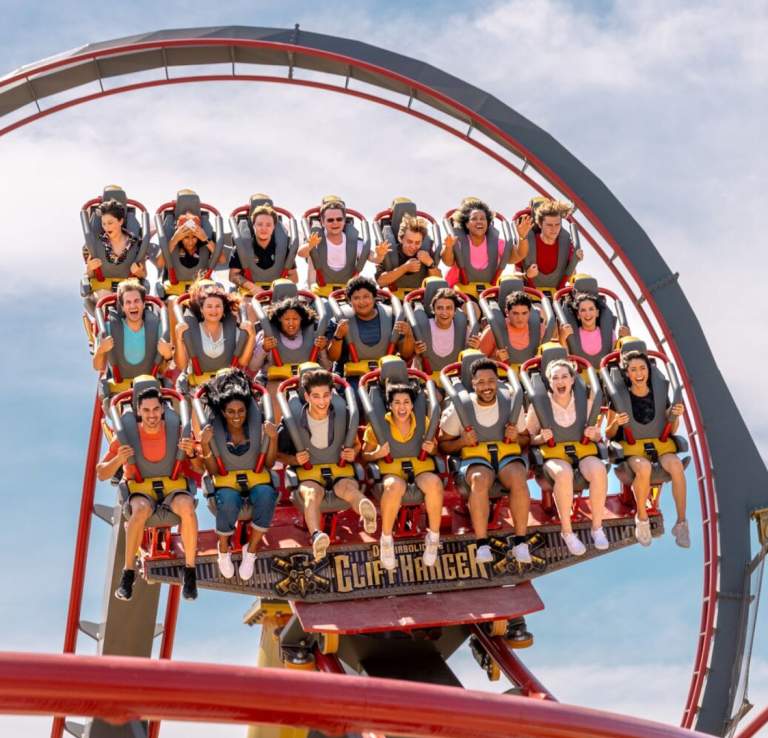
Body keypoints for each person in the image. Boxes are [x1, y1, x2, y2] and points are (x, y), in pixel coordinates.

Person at [96, 386, 201, 601]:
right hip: (141, 491)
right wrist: (118, 460)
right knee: (139, 512)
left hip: (173, 487)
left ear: (163, 409)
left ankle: (190, 572)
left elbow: (200, 468)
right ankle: (127, 574)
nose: (151, 415)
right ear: (138, 411)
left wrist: (192, 452)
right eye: (146, 411)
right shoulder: (126, 435)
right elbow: (101, 473)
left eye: (155, 409)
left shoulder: (177, 429)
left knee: (187, 509)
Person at [277, 368, 377, 559]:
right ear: (306, 396)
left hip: (339, 469)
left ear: (332, 394)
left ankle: (366, 511)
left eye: (325, 395)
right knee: (312, 494)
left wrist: (352, 452)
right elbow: (278, 455)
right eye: (316, 396)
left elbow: (356, 444)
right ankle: (317, 536)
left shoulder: (343, 414)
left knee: (347, 488)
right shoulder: (293, 421)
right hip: (309, 474)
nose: (322, 402)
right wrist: (293, 460)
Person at [439, 357, 531, 563]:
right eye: (480, 382)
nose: (486, 387)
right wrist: (462, 441)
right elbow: (443, 445)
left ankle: (521, 542)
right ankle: (482, 544)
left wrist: (517, 436)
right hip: (475, 460)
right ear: (472, 384)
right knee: (479, 479)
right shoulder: (461, 408)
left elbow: (526, 439)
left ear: (498, 381)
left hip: (507, 458)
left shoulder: (510, 403)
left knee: (518, 476)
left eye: (490, 381)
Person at [196, 369, 280, 579]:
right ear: (223, 412)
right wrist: (205, 444)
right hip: (227, 479)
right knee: (228, 499)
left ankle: (250, 552)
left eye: (241, 411)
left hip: (255, 474)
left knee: (266, 495)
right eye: (231, 412)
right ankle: (223, 549)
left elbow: (268, 463)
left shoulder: (254, 425)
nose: (237, 416)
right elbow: (213, 470)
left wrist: (273, 438)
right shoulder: (214, 427)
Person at [605, 350, 689, 547]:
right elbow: (608, 433)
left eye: (642, 368)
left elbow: (671, 429)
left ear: (648, 371)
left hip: (659, 444)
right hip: (633, 447)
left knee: (676, 465)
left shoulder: (659, 395)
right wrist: (617, 422)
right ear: (627, 373)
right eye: (633, 369)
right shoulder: (618, 398)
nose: (639, 373)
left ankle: (681, 523)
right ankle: (641, 519)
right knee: (644, 468)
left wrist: (674, 416)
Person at [526, 359, 608, 555]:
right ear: (549, 382)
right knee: (563, 474)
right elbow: (528, 438)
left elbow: (598, 435)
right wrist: (540, 438)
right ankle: (567, 531)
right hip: (555, 455)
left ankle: (597, 527)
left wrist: (594, 434)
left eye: (564, 376)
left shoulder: (584, 403)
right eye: (555, 378)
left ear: (572, 380)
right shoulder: (539, 405)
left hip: (582, 450)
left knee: (599, 470)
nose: (560, 381)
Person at [362, 382, 444, 571]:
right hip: (392, 472)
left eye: (406, 402)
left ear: (412, 405)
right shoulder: (377, 425)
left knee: (435, 483)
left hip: (419, 468)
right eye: (397, 402)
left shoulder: (422, 422)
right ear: (390, 405)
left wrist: (433, 449)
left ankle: (433, 537)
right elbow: (364, 458)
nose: (402, 407)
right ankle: (386, 539)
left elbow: (436, 448)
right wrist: (376, 454)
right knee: (394, 486)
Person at [326, 276, 415, 384]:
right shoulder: (339, 319)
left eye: (366, 296)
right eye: (356, 298)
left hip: (385, 375)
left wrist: (408, 335)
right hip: (351, 375)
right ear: (349, 300)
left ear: (374, 297)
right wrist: (338, 336)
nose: (362, 302)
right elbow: (332, 357)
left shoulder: (392, 316)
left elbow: (406, 354)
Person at [174, 280, 256, 384]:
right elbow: (182, 365)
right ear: (202, 310)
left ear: (223, 309)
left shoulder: (232, 329)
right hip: (199, 384)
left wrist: (252, 336)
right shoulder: (191, 329)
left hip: (227, 384)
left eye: (218, 306)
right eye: (209, 307)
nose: (214, 311)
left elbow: (243, 361)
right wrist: (178, 339)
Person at [442, 197, 528, 296]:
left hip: (489, 290)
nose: (479, 221)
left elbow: (517, 257)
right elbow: (447, 262)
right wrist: (448, 247)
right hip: (461, 289)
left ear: (488, 223)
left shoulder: (496, 243)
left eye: (482, 219)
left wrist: (522, 237)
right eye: (474, 219)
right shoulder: (458, 241)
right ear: (466, 224)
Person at [92, 279, 173, 376]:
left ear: (143, 304)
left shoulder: (158, 328)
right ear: (122, 307)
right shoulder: (109, 328)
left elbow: (161, 371)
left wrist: (168, 356)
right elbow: (98, 367)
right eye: (128, 302)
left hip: (149, 387)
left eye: (137, 301)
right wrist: (101, 350)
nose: (133, 305)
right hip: (120, 387)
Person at [298, 198, 375, 292]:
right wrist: (310, 245)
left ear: (344, 220)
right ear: (322, 222)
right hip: (318, 290)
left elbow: (374, 258)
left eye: (339, 219)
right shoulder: (316, 238)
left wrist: (380, 254)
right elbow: (301, 253)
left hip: (347, 292)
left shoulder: (353, 242)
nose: (335, 223)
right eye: (330, 220)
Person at [82, 198, 147, 298]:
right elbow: (88, 275)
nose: (106, 228)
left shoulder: (136, 243)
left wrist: (139, 272)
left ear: (120, 221)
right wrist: (90, 268)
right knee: (106, 296)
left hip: (128, 291)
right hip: (101, 290)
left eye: (110, 223)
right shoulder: (93, 244)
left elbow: (144, 274)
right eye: (104, 224)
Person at [411, 287, 480, 379]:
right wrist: (416, 352)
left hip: (455, 377)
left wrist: (476, 347)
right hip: (429, 377)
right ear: (433, 310)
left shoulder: (463, 329)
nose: (444, 312)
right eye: (440, 308)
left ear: (455, 311)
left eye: (449, 308)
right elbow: (412, 357)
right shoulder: (423, 327)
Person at [229, 204, 299, 294]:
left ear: (274, 227)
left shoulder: (283, 248)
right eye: (259, 224)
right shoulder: (242, 247)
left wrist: (275, 289)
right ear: (253, 226)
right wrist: (253, 287)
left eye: (268, 225)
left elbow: (294, 277)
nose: (264, 228)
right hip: (250, 292)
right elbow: (233, 275)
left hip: (276, 292)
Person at [520, 199, 583, 293]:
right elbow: (515, 273)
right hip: (530, 295)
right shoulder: (528, 242)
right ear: (540, 224)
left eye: (557, 225)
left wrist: (577, 258)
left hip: (558, 294)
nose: (554, 229)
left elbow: (572, 274)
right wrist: (526, 275)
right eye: (549, 225)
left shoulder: (566, 245)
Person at [375, 213, 441, 296]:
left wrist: (430, 264)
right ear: (401, 239)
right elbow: (381, 281)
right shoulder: (388, 252)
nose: (413, 246)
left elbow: (438, 282)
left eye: (417, 243)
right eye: (409, 242)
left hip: (420, 296)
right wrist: (405, 268)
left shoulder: (426, 252)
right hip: (393, 297)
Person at [558, 292, 630, 367]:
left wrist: (624, 338)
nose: (587, 314)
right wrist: (562, 338)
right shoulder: (572, 334)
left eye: (591, 309)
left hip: (605, 372)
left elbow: (614, 356)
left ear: (597, 313)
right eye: (583, 310)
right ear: (578, 315)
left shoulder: (608, 333)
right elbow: (565, 358)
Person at [476, 291, 548, 365]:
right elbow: (477, 362)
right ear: (507, 312)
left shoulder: (539, 329)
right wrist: (496, 360)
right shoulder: (494, 330)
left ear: (529, 312)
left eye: (524, 313)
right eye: (515, 313)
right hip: (502, 375)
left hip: (532, 374)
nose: (520, 318)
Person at [153, 211, 220, 286]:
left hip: (200, 288)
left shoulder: (204, 242)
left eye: (194, 237)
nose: (190, 242)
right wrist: (174, 240)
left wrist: (205, 239)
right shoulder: (172, 242)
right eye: (186, 237)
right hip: (175, 289)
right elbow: (159, 264)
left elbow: (222, 259)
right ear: (180, 236)